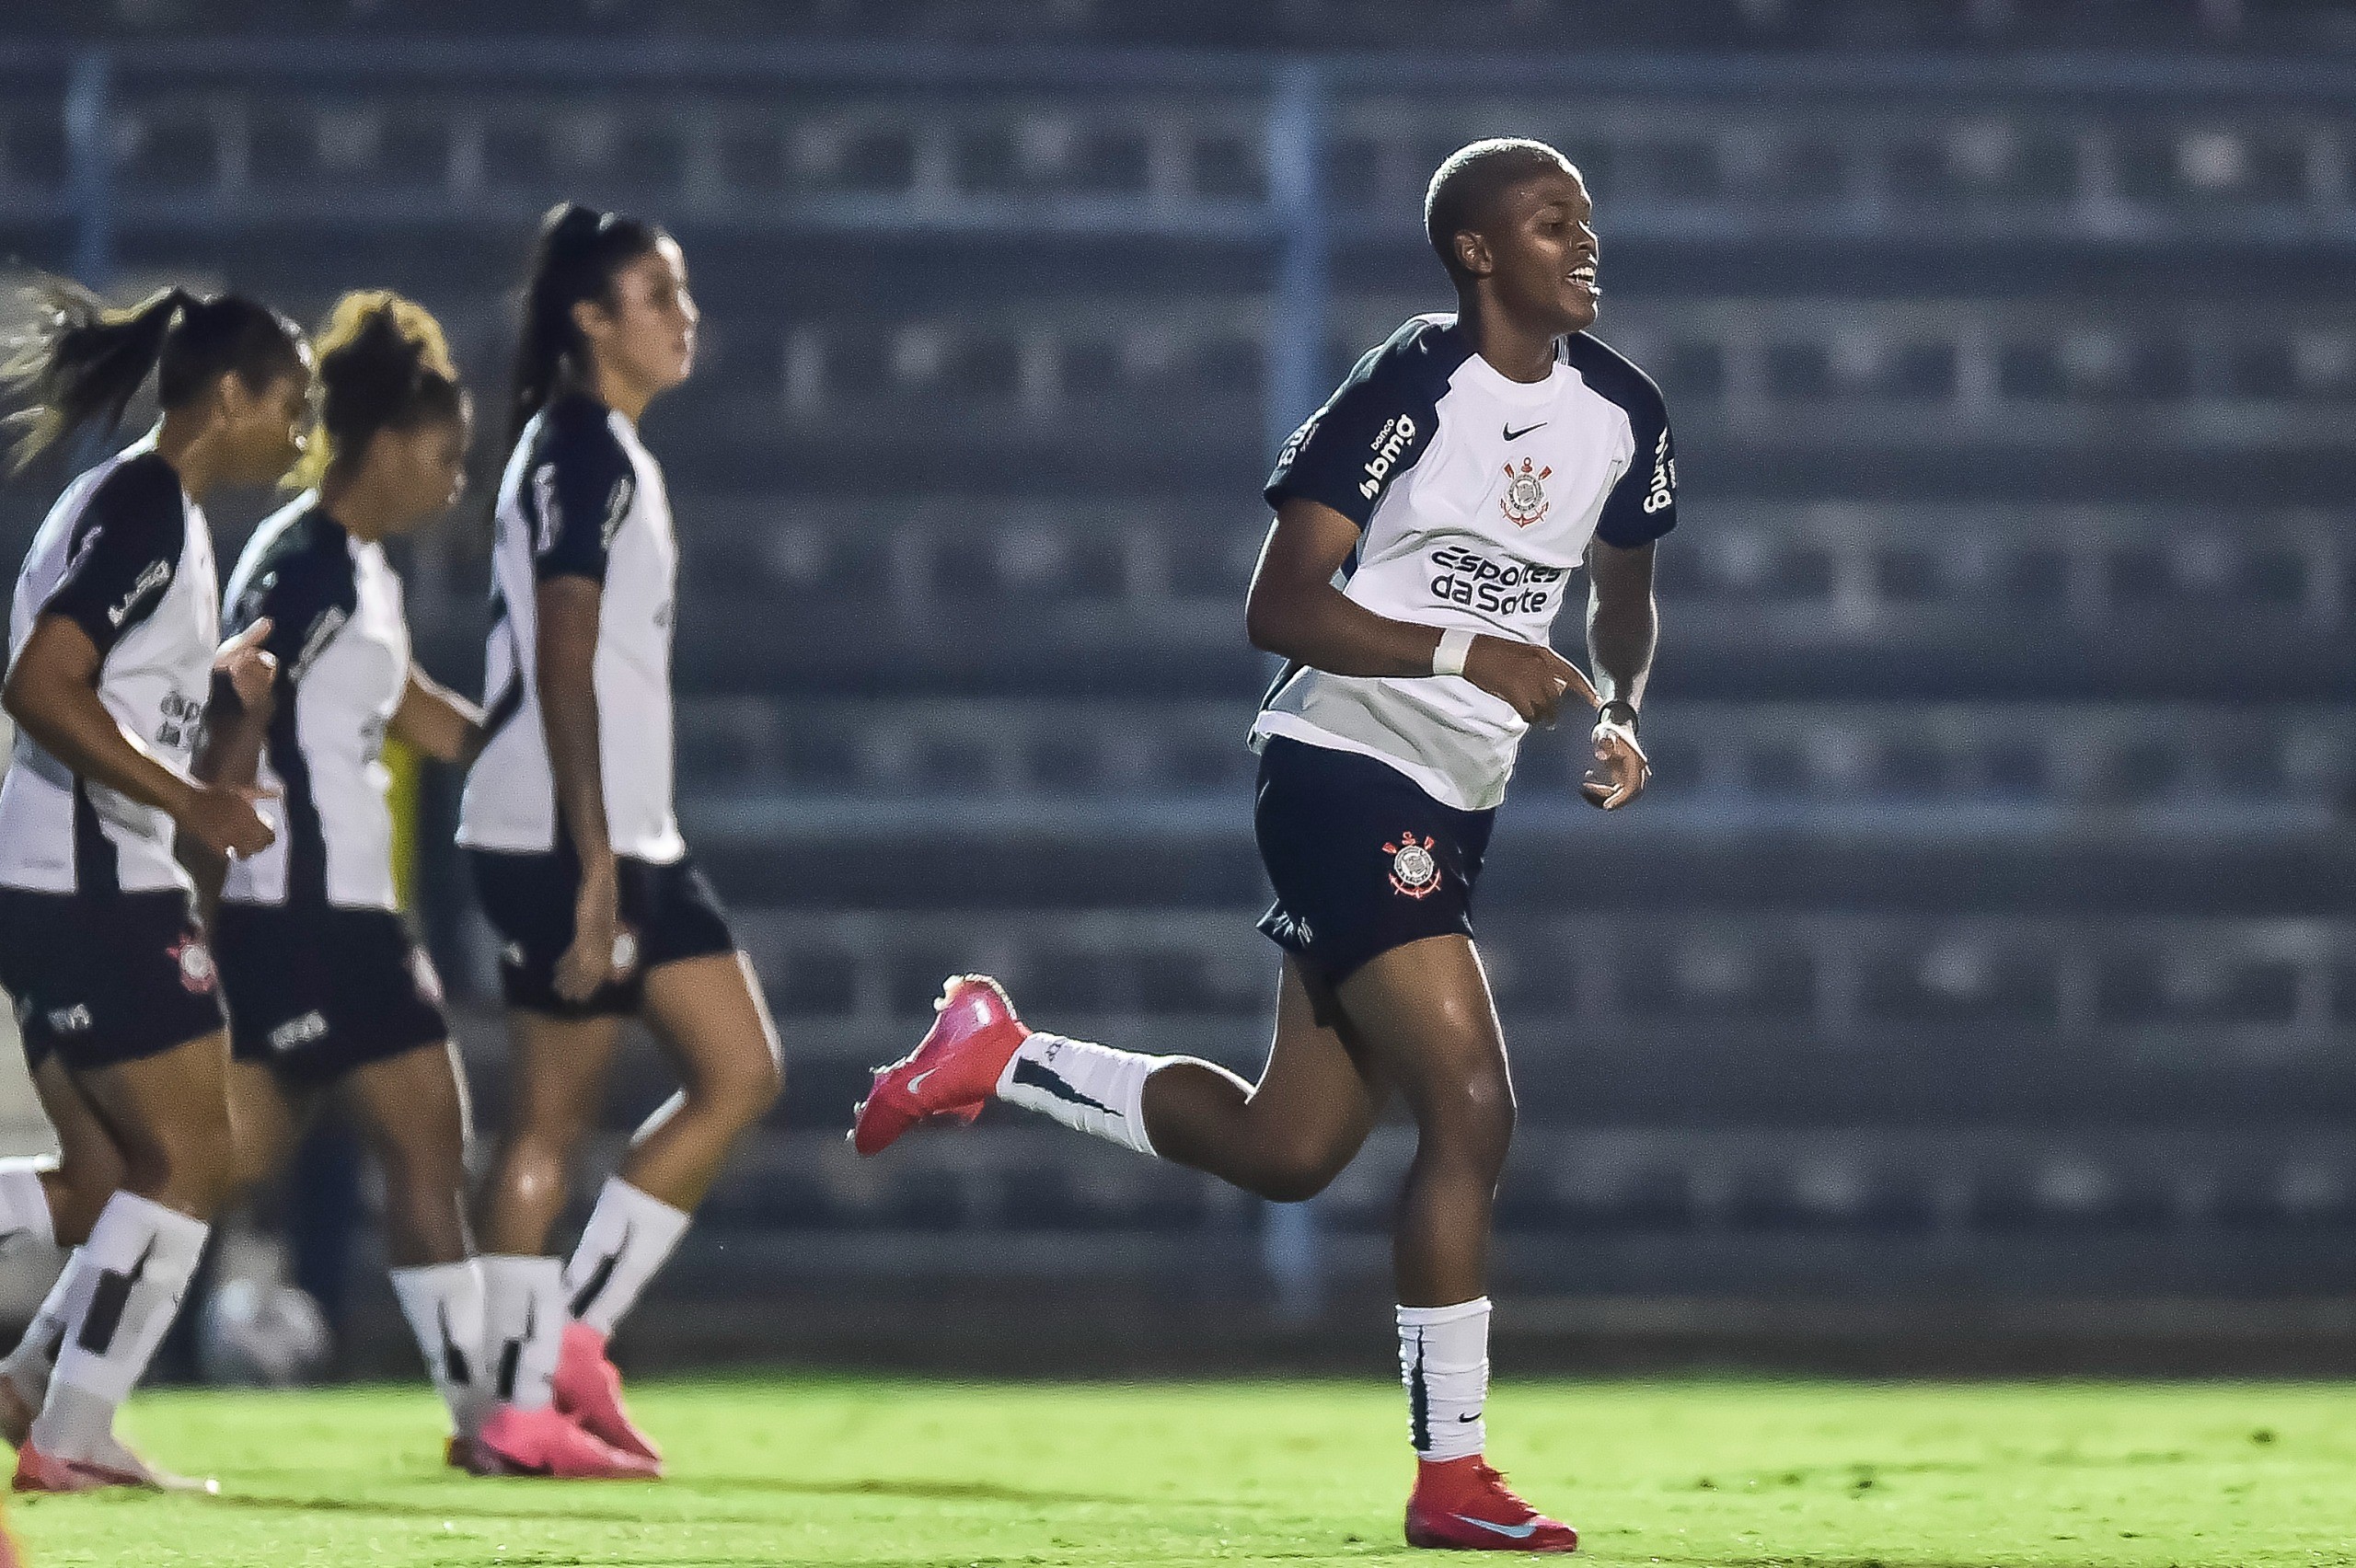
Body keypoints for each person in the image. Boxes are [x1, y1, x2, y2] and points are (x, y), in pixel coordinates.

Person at [852, 137, 1674, 1553]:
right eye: (1551, 224)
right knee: (1472, 1104)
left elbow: (1624, 593)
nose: (1583, 244)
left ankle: (1000, 1053)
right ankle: (1452, 1478)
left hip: (1452, 800)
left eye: (1586, 221)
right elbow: (1281, 607)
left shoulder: (1624, 412)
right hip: (1343, 766)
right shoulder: (1409, 385)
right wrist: (1474, 652)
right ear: (1477, 253)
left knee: (1290, 1146)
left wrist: (1626, 710)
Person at [457, 202, 782, 1479]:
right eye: (657, 294)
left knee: (740, 1070)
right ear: (591, 319)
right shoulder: (580, 452)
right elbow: (564, 648)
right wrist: (593, 864)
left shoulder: (610, 452)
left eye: (682, 291)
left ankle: (574, 1338)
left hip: (629, 833)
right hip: (561, 836)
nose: (682, 315)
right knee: (549, 1124)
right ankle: (509, 1407)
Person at [0, 282, 308, 1490]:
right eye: (288, 404)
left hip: (63, 870)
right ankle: (71, 1435)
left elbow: (110, 683)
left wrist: (210, 695)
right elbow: (41, 682)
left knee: (106, 1181)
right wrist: (192, 803)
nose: (297, 431)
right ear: (227, 394)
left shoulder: (140, 507)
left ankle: (31, 1391)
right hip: (90, 874)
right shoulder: (142, 507)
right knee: (193, 1157)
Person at [197, 292, 504, 1470]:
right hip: (306, 917)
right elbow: (230, 701)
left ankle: (41, 1391)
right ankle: (488, 1425)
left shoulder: (358, 569)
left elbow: (412, 708)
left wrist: (536, 757)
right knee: (422, 1148)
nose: (453, 478)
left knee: (205, 1172)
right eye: (444, 453)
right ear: (382, 445)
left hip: (334, 920)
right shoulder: (305, 567)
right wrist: (205, 889)